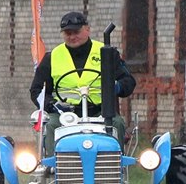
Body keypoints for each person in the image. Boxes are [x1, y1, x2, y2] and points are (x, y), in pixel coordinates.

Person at [29, 11, 136, 156]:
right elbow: (36, 90)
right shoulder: (52, 57)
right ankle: (54, 169)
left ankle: (114, 170)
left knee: (116, 124)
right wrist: (51, 105)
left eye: (76, 32)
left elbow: (128, 81)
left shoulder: (107, 53)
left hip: (100, 112)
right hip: (64, 114)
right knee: (50, 125)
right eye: (68, 33)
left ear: (87, 29)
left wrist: (116, 87)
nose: (72, 37)